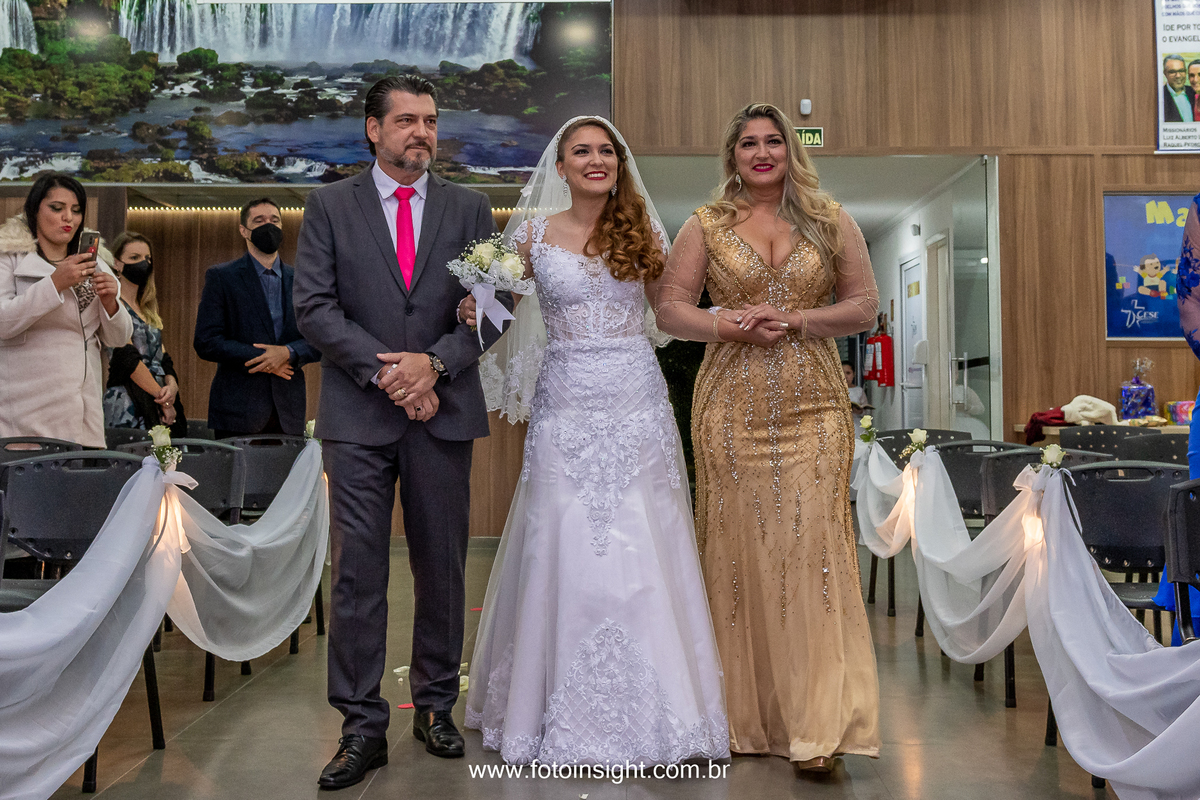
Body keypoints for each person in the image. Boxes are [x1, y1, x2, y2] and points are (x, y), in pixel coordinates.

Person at [464, 116, 730, 766]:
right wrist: (473, 307)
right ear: (560, 167)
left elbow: (670, 312)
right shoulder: (530, 235)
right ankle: (548, 705)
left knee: (646, 535)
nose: (595, 160)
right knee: (562, 532)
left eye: (605, 151)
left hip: (635, 400)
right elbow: (497, 311)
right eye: (580, 151)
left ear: (618, 162)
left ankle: (663, 710)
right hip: (565, 401)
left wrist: (727, 321)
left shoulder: (643, 231)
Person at [293, 74, 511, 790]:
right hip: (359, 418)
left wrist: (435, 365)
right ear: (374, 129)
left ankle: (436, 706)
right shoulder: (329, 206)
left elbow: (495, 308)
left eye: (431, 121)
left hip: (443, 413)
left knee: (441, 567)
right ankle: (361, 725)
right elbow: (314, 309)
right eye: (408, 120)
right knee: (358, 572)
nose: (423, 132)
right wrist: (391, 374)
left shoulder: (471, 208)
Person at [654, 102, 881, 772]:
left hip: (816, 405)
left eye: (773, 141)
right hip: (731, 408)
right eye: (748, 143)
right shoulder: (706, 224)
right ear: (732, 155)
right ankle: (737, 718)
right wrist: (728, 326)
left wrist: (800, 320)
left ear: (790, 150)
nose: (761, 153)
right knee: (737, 549)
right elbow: (669, 310)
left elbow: (864, 307)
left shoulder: (831, 219)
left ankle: (819, 727)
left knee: (815, 551)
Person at [0, 172, 132, 447]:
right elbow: (3, 323)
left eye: (76, 210)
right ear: (35, 210)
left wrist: (111, 304)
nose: (68, 218)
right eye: (57, 208)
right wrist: (54, 284)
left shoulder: (97, 263)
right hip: (25, 415)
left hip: (84, 414)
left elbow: (119, 339)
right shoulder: (9, 258)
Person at [193, 198, 319, 439]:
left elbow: (320, 338)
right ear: (244, 230)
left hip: (288, 413)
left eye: (274, 220)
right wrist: (266, 358)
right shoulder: (221, 277)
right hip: (237, 412)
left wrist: (288, 353)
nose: (268, 226)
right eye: (259, 221)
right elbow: (206, 341)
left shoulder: (303, 280)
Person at [103, 232, 186, 437]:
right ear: (117, 263)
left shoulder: (147, 309)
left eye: (147, 258)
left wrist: (172, 386)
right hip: (129, 402)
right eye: (135, 257)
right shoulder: (113, 305)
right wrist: (164, 400)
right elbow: (128, 359)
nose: (143, 263)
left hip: (159, 400)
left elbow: (163, 359)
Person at [1162, 54, 1196, 123]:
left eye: (1181, 71)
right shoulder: (1160, 96)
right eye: (1172, 72)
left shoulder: (1194, 92)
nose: (1178, 76)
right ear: (1165, 73)